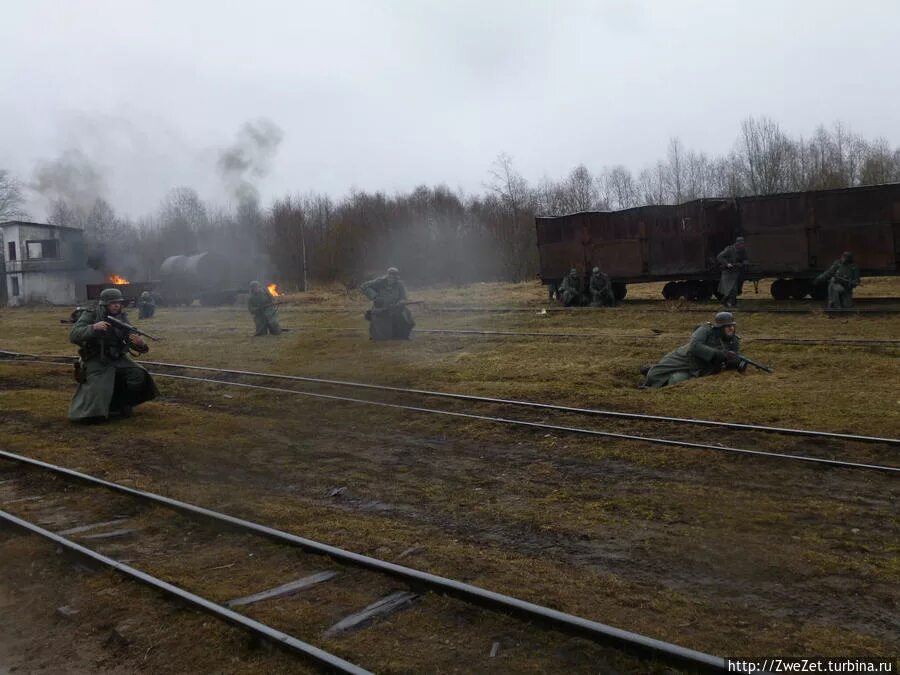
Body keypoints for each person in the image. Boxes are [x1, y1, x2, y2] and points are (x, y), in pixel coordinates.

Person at [68, 288, 159, 421]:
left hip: (117, 358)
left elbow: (129, 337)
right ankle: (94, 411)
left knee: (138, 375)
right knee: (96, 406)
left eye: (118, 302)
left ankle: (120, 404)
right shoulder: (91, 314)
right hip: (96, 359)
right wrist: (93, 328)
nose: (117, 305)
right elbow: (74, 335)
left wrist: (140, 344)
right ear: (105, 304)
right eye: (113, 303)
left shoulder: (121, 317)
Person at [641, 311, 744, 388]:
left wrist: (734, 361)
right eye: (727, 326)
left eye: (733, 326)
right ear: (720, 327)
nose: (731, 329)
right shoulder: (706, 330)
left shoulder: (733, 340)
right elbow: (695, 346)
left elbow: (733, 358)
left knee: (676, 380)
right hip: (683, 359)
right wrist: (717, 354)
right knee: (653, 375)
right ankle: (651, 369)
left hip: (701, 369)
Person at [361, 267, 415, 340]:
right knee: (382, 336)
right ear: (387, 275)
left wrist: (401, 302)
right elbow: (364, 286)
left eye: (394, 277)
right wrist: (375, 297)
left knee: (407, 319)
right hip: (381, 310)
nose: (391, 279)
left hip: (395, 309)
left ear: (396, 277)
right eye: (390, 276)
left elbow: (403, 297)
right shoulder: (379, 282)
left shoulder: (400, 284)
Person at [716, 237, 748, 308]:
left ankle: (726, 302)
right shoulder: (729, 249)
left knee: (735, 289)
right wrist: (727, 264)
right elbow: (719, 257)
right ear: (737, 243)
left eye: (743, 243)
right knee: (732, 289)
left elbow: (745, 259)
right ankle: (732, 304)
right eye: (740, 243)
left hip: (736, 272)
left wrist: (743, 263)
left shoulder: (743, 250)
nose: (742, 245)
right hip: (728, 272)